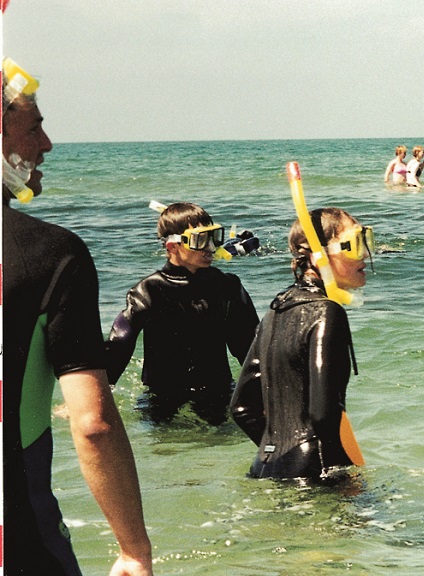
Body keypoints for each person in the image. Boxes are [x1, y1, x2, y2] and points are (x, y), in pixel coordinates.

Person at [2, 57, 153, 575]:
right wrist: (134, 550)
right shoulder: (52, 255)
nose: (45, 144)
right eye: (33, 127)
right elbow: (92, 423)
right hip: (18, 525)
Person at [230, 208, 372, 480]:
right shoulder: (327, 312)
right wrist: (346, 479)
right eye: (354, 244)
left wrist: (283, 455)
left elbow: (242, 408)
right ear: (317, 256)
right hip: (313, 469)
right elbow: (323, 414)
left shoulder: (275, 309)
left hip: (263, 467)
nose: (365, 253)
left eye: (367, 240)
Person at [106, 202, 260, 425]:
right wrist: (95, 394)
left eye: (214, 237)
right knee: (165, 450)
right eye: (200, 240)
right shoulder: (149, 291)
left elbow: (249, 346)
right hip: (162, 394)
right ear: (172, 247)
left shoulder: (227, 287)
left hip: (217, 390)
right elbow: (118, 346)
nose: (210, 247)